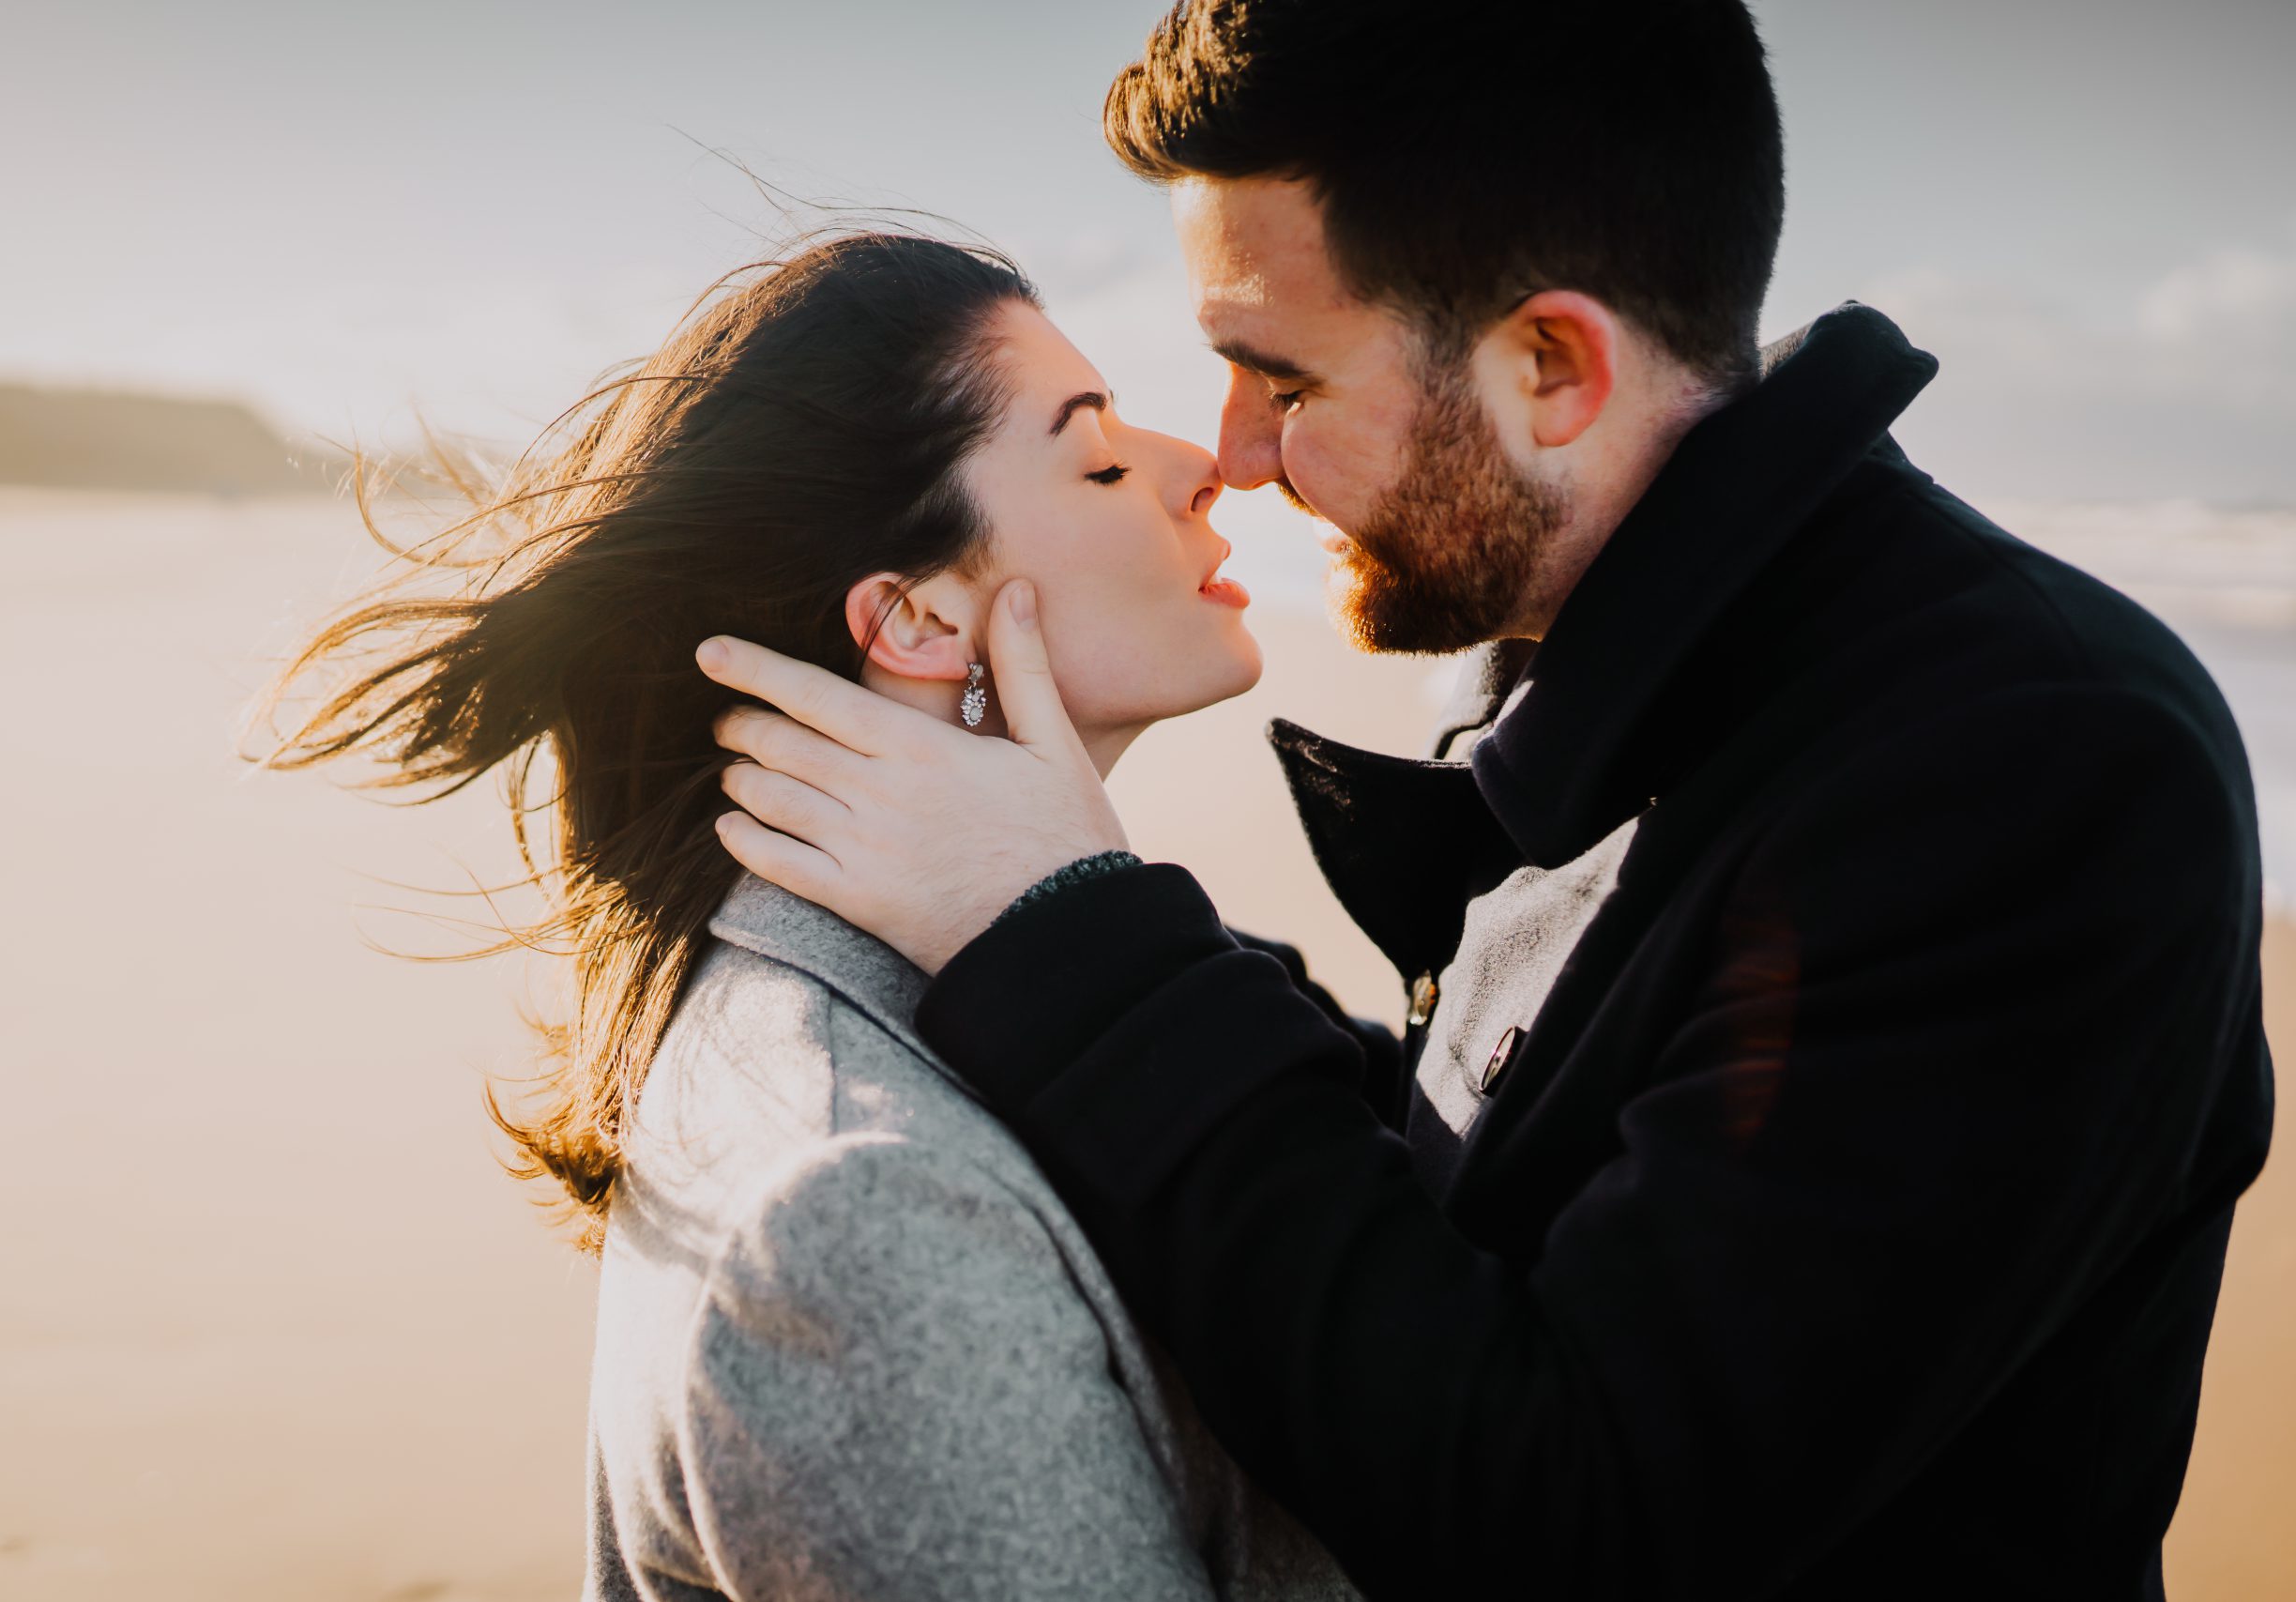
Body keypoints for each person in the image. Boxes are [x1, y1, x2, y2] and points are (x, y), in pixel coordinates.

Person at [694, 4, 2277, 1598]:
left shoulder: (2027, 769)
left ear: (1550, 366)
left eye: (1280, 377)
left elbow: (1580, 1523)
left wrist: (1075, 944)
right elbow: (1520, 1171)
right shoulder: (1580, 643)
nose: (1235, 453)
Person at [251, 232, 1360, 1601]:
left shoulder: (1003, 1000)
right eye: (1100, 457)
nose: (1201, 466)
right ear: (912, 621)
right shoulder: (864, 1208)